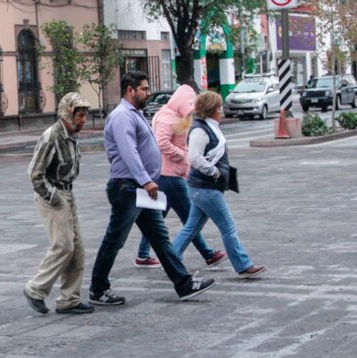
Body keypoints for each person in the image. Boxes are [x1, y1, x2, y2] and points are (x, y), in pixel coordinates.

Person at [89, 72, 216, 304]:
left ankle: (184, 283)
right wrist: (146, 179)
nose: (148, 93)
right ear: (130, 90)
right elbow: (129, 151)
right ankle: (98, 289)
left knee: (160, 238)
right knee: (115, 240)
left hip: (141, 188)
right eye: (144, 89)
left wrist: (147, 181)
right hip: (128, 187)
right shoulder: (121, 117)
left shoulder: (135, 114)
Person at [173, 91, 266, 279]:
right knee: (228, 227)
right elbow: (195, 158)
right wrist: (214, 172)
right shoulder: (200, 130)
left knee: (191, 228)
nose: (222, 111)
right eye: (219, 108)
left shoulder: (207, 126)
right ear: (211, 110)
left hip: (202, 188)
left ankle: (171, 259)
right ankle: (243, 265)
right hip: (206, 188)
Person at [133, 84, 226, 269]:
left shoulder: (174, 116)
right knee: (190, 216)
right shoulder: (167, 118)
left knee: (155, 217)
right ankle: (207, 254)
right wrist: (183, 156)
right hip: (169, 175)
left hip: (169, 174)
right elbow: (162, 143)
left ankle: (143, 255)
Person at [23, 92, 95, 315]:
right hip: (53, 196)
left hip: (67, 194)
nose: (84, 120)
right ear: (67, 113)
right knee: (63, 246)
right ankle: (36, 289)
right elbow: (34, 173)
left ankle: (69, 299)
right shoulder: (51, 136)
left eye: (84, 115)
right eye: (80, 115)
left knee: (78, 250)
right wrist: (54, 198)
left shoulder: (71, 134)